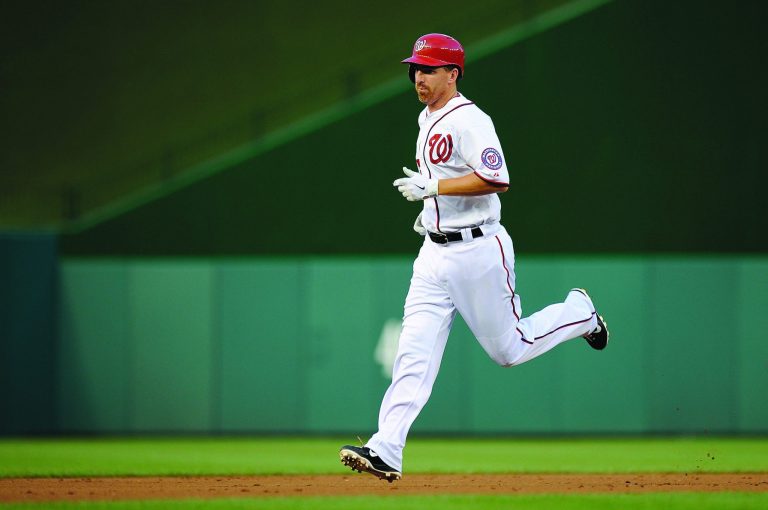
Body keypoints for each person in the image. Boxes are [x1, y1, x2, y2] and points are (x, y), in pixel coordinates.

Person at [339, 33, 609, 483]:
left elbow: (495, 177)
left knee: (509, 349)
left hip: (479, 251)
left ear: (453, 73)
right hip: (434, 254)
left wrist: (435, 190)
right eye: (415, 69)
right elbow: (443, 177)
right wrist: (432, 215)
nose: (418, 77)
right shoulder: (427, 117)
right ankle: (386, 448)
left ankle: (579, 314)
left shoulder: (470, 120)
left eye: (428, 69)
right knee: (413, 352)